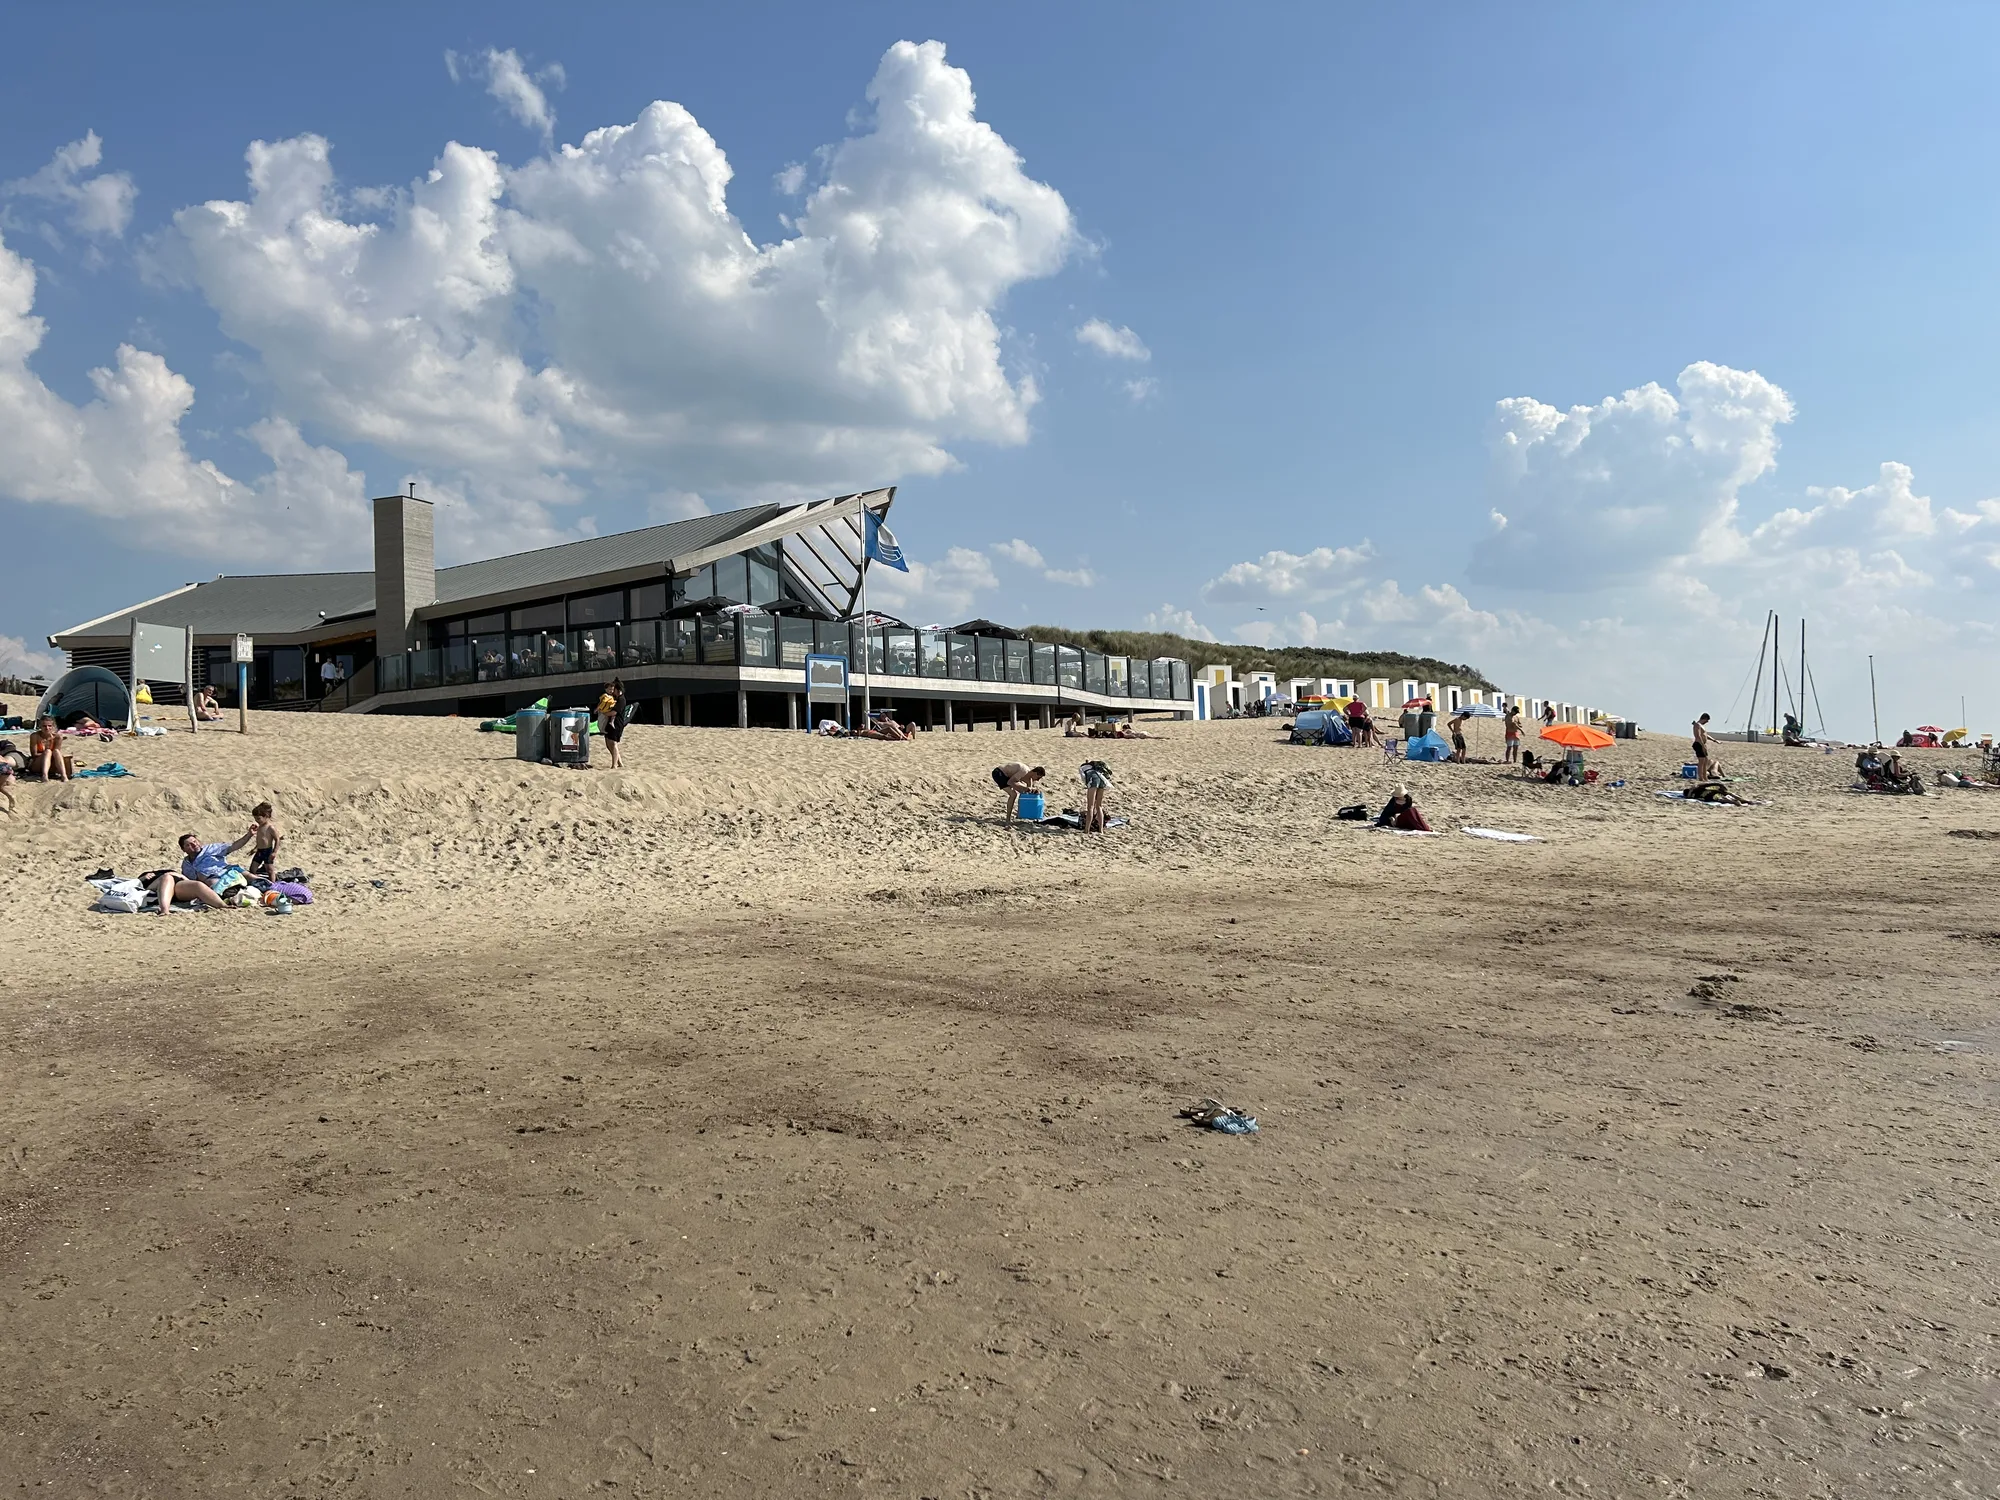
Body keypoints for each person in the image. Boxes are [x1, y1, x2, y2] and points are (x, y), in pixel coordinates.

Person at [153, 831, 242, 916]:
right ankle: (164, 910)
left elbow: (233, 846)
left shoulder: (209, 850)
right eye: (189, 845)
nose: (194, 845)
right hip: (174, 884)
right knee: (170, 877)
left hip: (188, 885)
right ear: (184, 849)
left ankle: (222, 905)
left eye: (195, 841)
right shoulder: (185, 864)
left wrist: (249, 834)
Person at [240, 802, 282, 879]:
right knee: (252, 868)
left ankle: (273, 884)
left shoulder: (270, 828)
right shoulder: (259, 827)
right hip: (259, 851)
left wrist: (274, 852)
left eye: (258, 818)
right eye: (255, 819)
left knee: (269, 869)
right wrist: (255, 848)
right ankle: (255, 880)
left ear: (266, 816)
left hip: (267, 851)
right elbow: (260, 839)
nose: (257, 821)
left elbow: (277, 839)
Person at [28, 716, 71, 782]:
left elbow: (56, 754)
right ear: (40, 727)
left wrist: (49, 754)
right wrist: (46, 754)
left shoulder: (58, 737)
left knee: (56, 751)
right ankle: (45, 776)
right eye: (44, 726)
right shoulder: (35, 736)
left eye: (49, 726)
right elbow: (34, 754)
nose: (47, 728)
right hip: (37, 764)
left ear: (53, 726)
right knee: (48, 751)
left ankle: (64, 775)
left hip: (52, 764)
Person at [596, 679, 626, 769]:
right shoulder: (613, 697)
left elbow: (614, 712)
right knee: (608, 743)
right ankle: (619, 762)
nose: (612, 692)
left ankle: (614, 765)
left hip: (617, 724)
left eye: (614, 690)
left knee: (613, 743)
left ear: (617, 690)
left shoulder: (621, 699)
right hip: (609, 723)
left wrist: (604, 713)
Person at [1079, 759, 1111, 832]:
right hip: (1103, 779)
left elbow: (1084, 780)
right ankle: (1101, 830)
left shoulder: (1082, 769)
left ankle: (1086, 829)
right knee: (1099, 806)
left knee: (1090, 806)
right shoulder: (1096, 768)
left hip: (1093, 779)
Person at [1693, 712, 1718, 781]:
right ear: (1704, 718)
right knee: (1701, 761)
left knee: (1706, 760)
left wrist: (1714, 740)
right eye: (1706, 720)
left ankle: (1705, 777)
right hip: (1698, 744)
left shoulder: (1702, 726)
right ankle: (1701, 777)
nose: (1707, 722)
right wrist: (1702, 745)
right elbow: (1698, 736)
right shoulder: (1697, 725)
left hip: (1703, 744)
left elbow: (1705, 735)